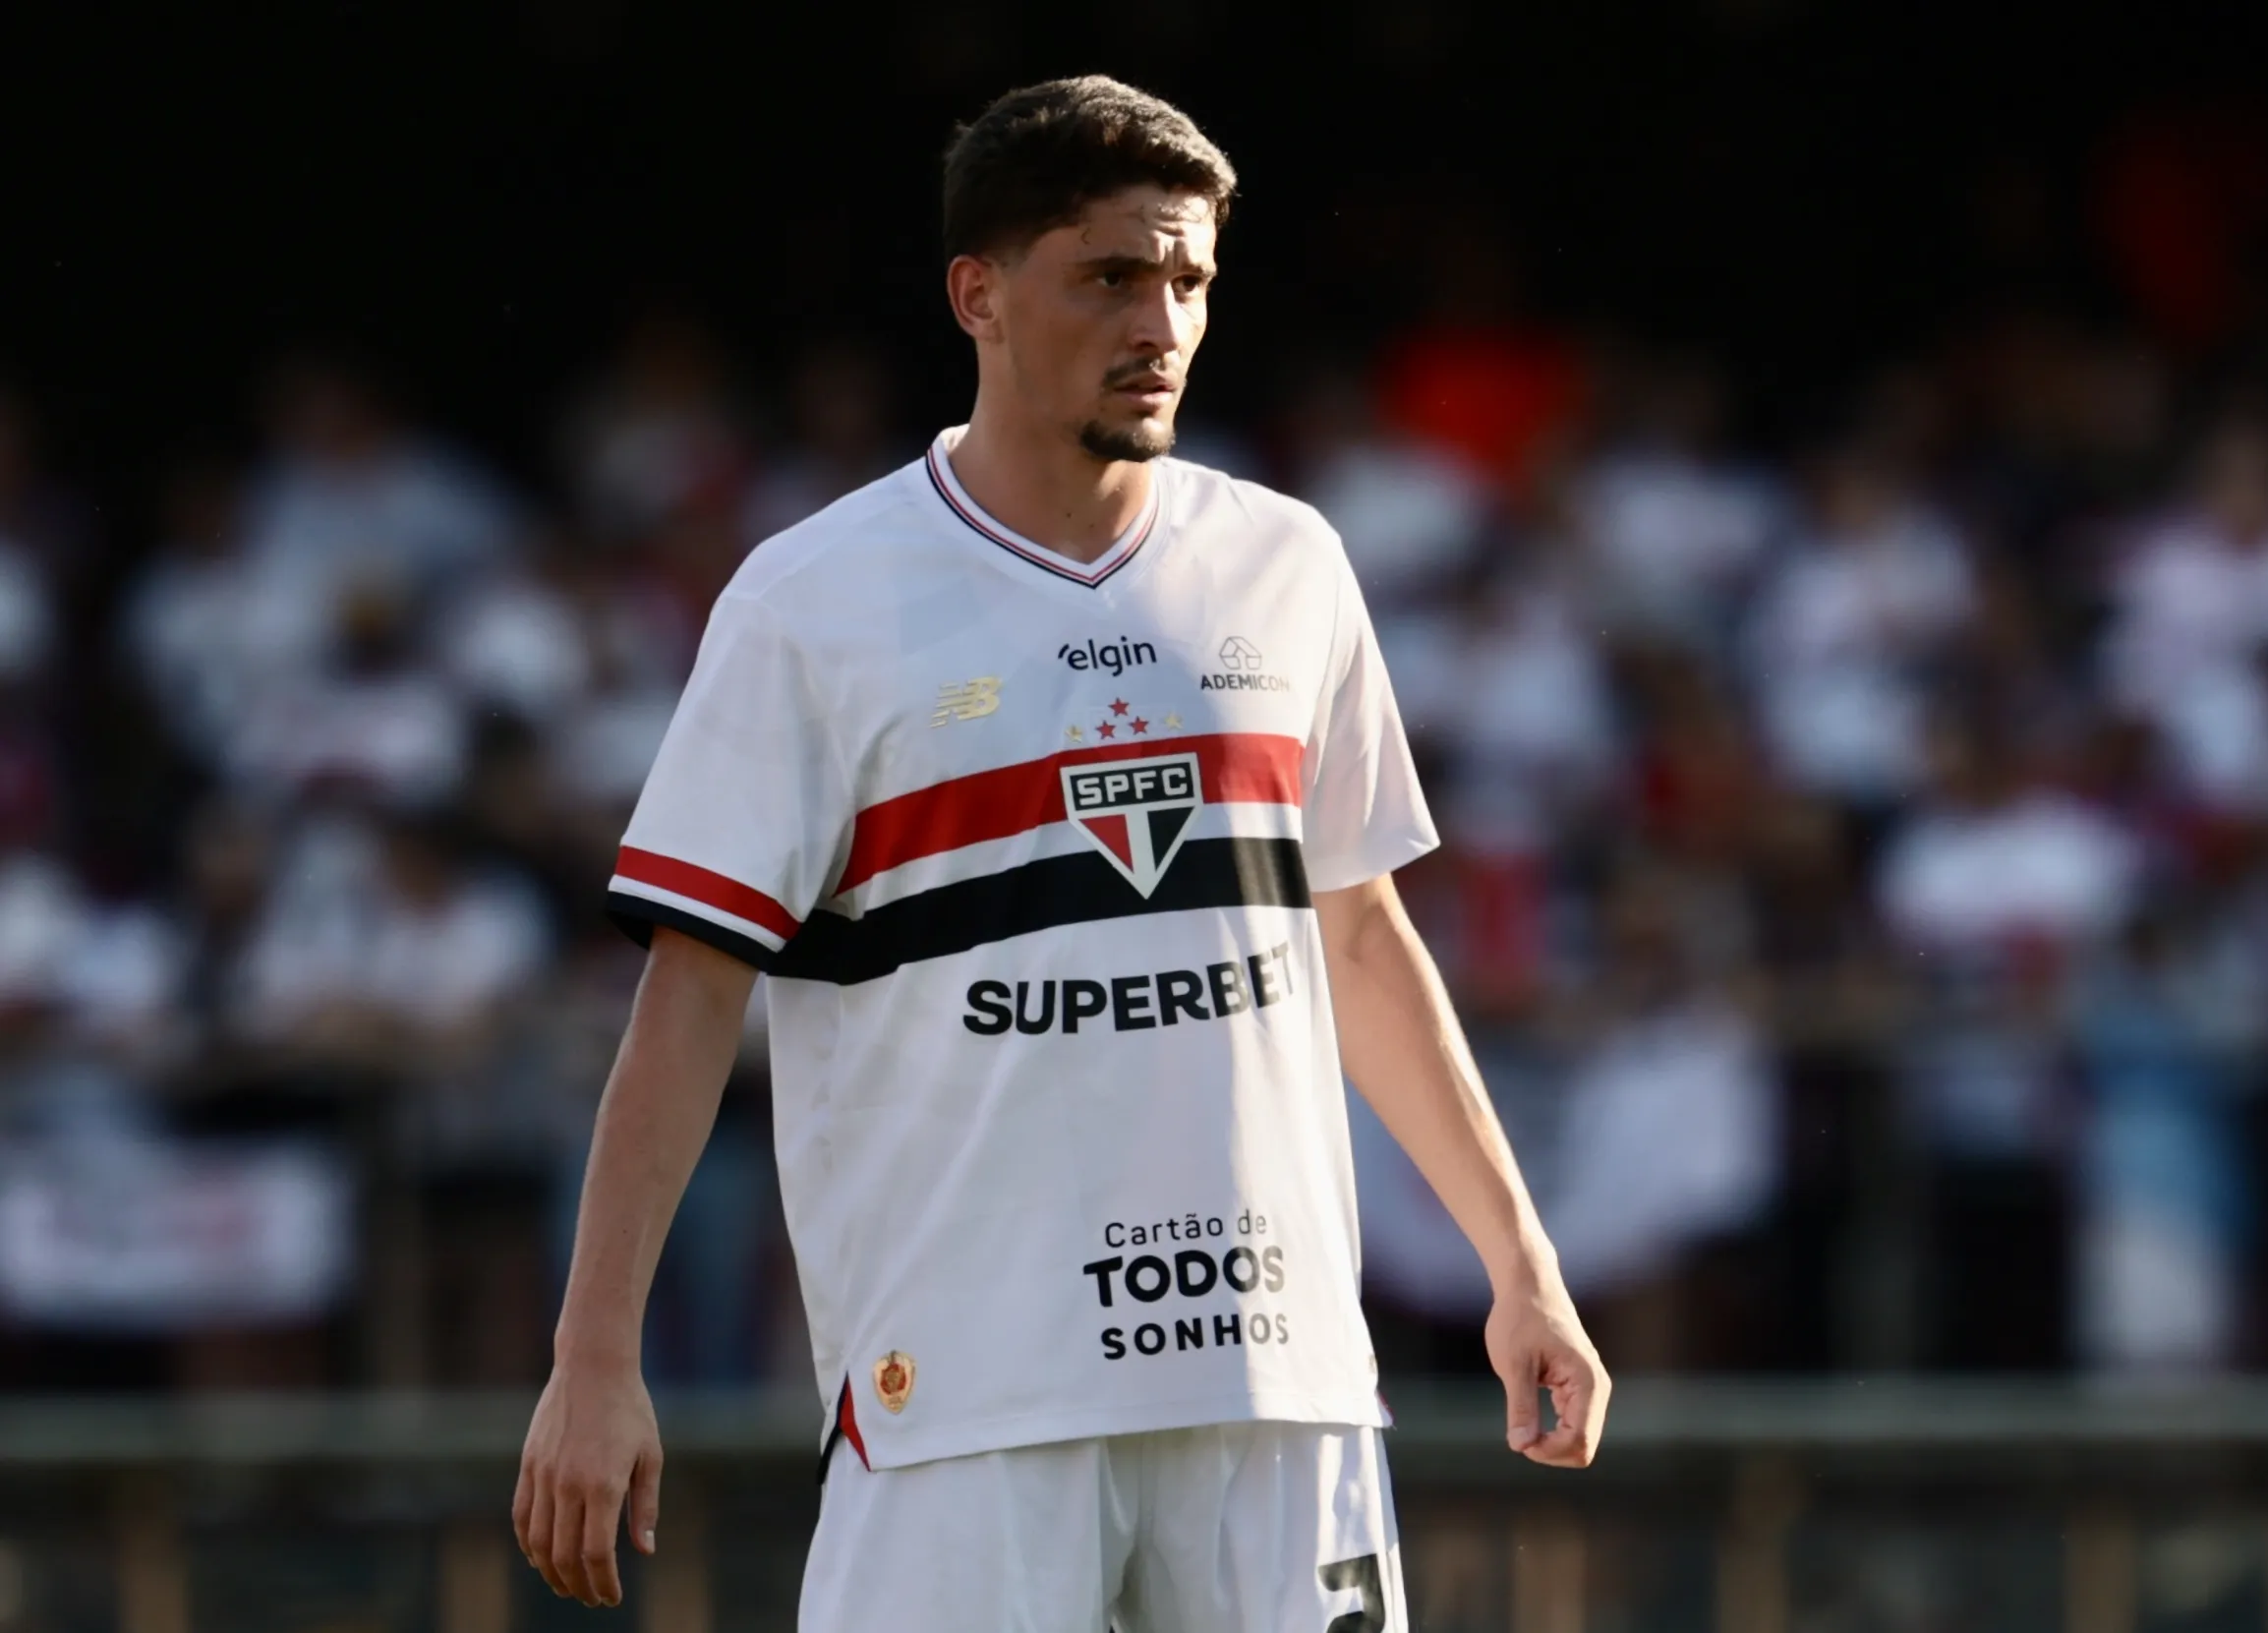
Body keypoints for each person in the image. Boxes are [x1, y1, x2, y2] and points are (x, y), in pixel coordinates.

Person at [512, 77, 1608, 1631]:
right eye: (1108, 274)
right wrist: (593, 1359)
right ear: (979, 295)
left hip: (1274, 1377)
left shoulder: (1287, 563)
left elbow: (1355, 933)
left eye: (1189, 280)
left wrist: (1519, 1261)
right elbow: (690, 1000)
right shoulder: (812, 599)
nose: (1158, 320)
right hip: (961, 1389)